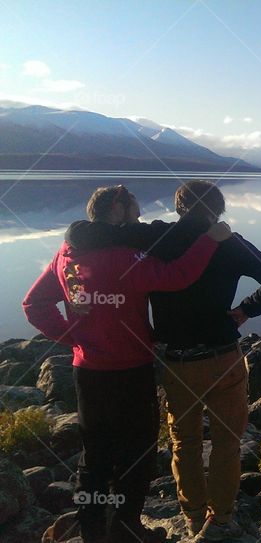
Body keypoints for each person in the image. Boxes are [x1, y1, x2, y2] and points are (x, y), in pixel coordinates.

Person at [65, 180, 261, 542]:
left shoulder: (154, 238)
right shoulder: (228, 241)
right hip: (222, 356)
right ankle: (220, 523)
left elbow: (86, 233)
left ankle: (192, 518)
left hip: (176, 362)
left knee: (183, 442)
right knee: (226, 442)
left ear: (179, 207)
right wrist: (244, 311)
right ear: (217, 209)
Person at [23, 185, 232, 543]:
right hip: (132, 369)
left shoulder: (66, 254)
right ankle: (126, 528)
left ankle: (92, 529)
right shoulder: (125, 256)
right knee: (138, 453)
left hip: (87, 371)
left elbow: (33, 304)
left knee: (95, 454)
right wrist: (210, 239)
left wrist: (75, 338)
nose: (141, 209)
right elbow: (177, 276)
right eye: (135, 203)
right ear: (118, 208)